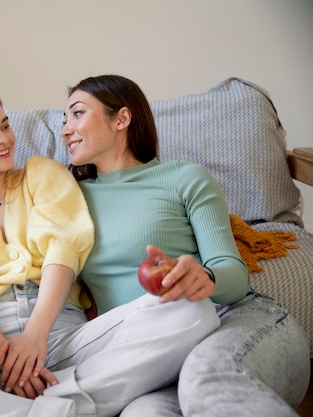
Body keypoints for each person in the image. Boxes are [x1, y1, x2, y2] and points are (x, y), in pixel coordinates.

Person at [0, 88, 220, 417]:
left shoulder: (42, 174)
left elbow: (63, 250)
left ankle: (44, 406)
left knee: (194, 310)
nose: (4, 139)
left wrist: (35, 336)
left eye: (4, 126)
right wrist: (9, 359)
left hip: (66, 333)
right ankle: (54, 408)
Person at [61, 74, 310, 417]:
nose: (65, 130)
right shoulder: (66, 198)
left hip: (233, 322)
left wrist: (204, 278)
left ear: (121, 118)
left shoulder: (184, 178)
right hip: (152, 356)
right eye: (64, 119)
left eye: (77, 114)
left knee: (206, 381)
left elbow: (234, 277)